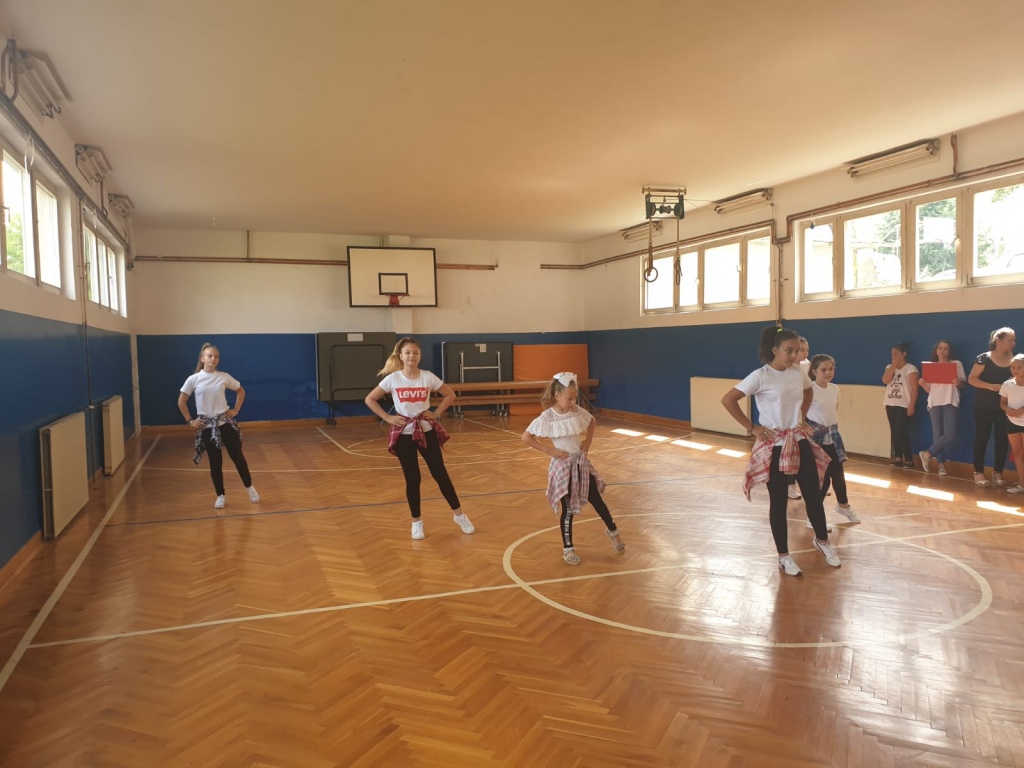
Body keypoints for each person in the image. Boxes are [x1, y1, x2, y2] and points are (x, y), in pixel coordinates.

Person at [721, 326, 839, 577]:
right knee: (778, 501)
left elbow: (808, 390)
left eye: (797, 351)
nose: (794, 356)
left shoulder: (798, 372)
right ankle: (784, 556)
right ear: (775, 350)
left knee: (813, 494)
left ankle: (822, 541)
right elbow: (728, 399)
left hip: (798, 439)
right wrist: (752, 427)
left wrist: (802, 415)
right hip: (774, 445)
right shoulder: (760, 376)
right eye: (789, 350)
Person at [364, 337, 474, 539]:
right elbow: (370, 399)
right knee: (413, 479)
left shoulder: (427, 377)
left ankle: (460, 515)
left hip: (426, 431)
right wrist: (388, 417)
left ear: (420, 355)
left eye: (415, 352)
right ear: (400, 355)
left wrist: (437, 413)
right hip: (404, 435)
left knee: (440, 474)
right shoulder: (393, 379)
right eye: (407, 353)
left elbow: (450, 395)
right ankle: (416, 522)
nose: (411, 356)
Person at [521, 372, 625, 565]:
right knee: (568, 509)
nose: (573, 402)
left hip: (580, 464)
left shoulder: (577, 411)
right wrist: (549, 450)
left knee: (597, 500)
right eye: (569, 398)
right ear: (557, 396)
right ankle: (568, 548)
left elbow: (591, 421)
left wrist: (588, 441)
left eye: (575, 397)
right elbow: (526, 437)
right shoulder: (548, 417)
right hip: (563, 467)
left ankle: (613, 531)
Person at [177, 343, 259, 509]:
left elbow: (241, 391)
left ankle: (249, 487)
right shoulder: (193, 379)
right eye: (210, 356)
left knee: (238, 457)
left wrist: (236, 409)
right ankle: (220, 495)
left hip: (224, 423)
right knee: (215, 462)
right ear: (202, 358)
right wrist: (190, 421)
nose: (213, 359)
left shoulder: (223, 377)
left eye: (216, 356)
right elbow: (181, 401)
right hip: (207, 426)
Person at [805, 354, 860, 527]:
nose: (828, 372)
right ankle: (814, 517)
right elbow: (801, 412)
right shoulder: (809, 389)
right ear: (814, 371)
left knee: (838, 474)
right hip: (816, 439)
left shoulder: (835, 388)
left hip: (832, 436)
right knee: (823, 479)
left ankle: (843, 505)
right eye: (823, 369)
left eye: (831, 369)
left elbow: (833, 410)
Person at [968, 327, 1016, 486]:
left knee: (1002, 439)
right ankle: (978, 472)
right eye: (1010, 340)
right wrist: (990, 386)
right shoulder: (984, 358)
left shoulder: (1015, 360)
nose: (1013, 343)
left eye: (1014, 340)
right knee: (982, 438)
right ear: (998, 341)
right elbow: (972, 379)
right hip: (984, 406)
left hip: (1005, 408)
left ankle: (998, 473)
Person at [918, 340, 965, 476]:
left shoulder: (956, 364)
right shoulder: (930, 366)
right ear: (936, 350)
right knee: (937, 434)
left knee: (950, 434)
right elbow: (930, 390)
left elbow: (962, 383)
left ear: (949, 351)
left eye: (946, 348)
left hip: (950, 400)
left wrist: (958, 382)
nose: (942, 351)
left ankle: (927, 454)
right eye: (940, 348)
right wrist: (923, 384)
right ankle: (941, 465)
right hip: (934, 402)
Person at [881, 342, 919, 467]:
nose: (893, 356)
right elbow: (885, 380)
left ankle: (908, 458)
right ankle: (898, 457)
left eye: (896, 354)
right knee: (894, 430)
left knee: (901, 429)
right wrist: (893, 366)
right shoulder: (889, 367)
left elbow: (915, 388)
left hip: (904, 404)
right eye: (892, 354)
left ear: (904, 354)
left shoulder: (911, 368)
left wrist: (912, 405)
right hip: (890, 402)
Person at [788, 336, 812, 500]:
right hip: (791, 418)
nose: (804, 353)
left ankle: (812, 484)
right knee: (791, 453)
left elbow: (809, 390)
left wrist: (804, 414)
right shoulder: (787, 369)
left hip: (803, 414)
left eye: (806, 350)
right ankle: (790, 486)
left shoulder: (807, 366)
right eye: (801, 350)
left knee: (806, 453)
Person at [999, 353, 1024, 494]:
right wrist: (1007, 409)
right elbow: (1002, 403)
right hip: (1012, 422)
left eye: (1019, 367)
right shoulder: (1007, 384)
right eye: (1013, 367)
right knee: (1018, 453)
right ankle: (1022, 484)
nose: (1015, 370)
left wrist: (1022, 409)